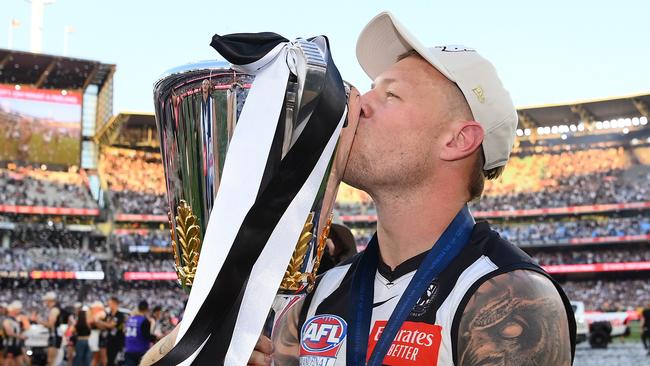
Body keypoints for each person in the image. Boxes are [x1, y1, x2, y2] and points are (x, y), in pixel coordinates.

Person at [143, 11, 576, 365]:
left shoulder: (508, 297)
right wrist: (181, 352)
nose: (357, 103)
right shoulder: (319, 293)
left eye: (391, 96)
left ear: (457, 140)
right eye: (370, 88)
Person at [123, 301, 155, 366]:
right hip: (141, 351)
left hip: (129, 350)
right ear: (147, 309)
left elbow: (124, 332)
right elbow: (146, 336)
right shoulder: (144, 320)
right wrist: (156, 337)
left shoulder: (129, 319)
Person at [38, 291, 63, 366]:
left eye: (46, 301)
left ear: (49, 300)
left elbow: (50, 324)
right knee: (52, 361)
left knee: (51, 361)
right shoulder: (55, 309)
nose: (45, 303)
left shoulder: (54, 310)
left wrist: (39, 321)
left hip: (54, 336)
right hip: (55, 335)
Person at [2, 301, 27, 366]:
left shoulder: (15, 320)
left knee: (19, 362)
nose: (19, 311)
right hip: (9, 345)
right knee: (8, 362)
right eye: (18, 309)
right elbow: (9, 333)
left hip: (16, 345)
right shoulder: (7, 320)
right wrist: (20, 336)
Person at [103, 297, 125, 366]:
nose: (108, 305)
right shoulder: (109, 314)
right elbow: (106, 325)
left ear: (115, 303)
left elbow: (111, 325)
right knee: (108, 361)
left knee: (114, 361)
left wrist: (99, 322)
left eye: (110, 303)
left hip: (117, 342)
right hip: (108, 341)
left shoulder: (119, 315)